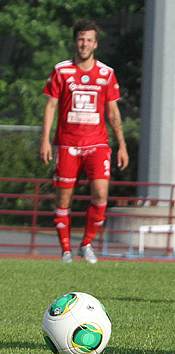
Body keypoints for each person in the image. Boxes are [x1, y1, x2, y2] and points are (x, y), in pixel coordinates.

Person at [40, 19, 129, 263]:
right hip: (67, 144)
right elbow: (51, 106)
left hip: (97, 144)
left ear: (96, 44)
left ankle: (87, 243)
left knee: (101, 194)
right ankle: (66, 250)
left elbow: (112, 112)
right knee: (63, 199)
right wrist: (45, 140)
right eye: (81, 39)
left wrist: (121, 144)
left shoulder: (106, 73)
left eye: (89, 40)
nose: (84, 44)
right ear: (75, 41)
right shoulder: (61, 71)